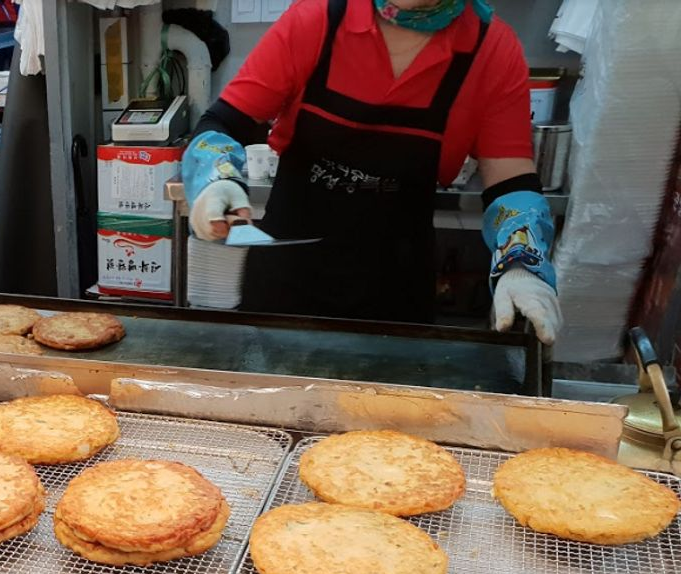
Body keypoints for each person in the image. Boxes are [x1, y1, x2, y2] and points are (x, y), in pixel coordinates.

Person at [182, 0, 561, 343]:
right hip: (286, 277)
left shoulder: (491, 49)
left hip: (396, 290)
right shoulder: (317, 18)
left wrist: (521, 262)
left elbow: (511, 182)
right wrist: (214, 181)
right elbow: (224, 122)